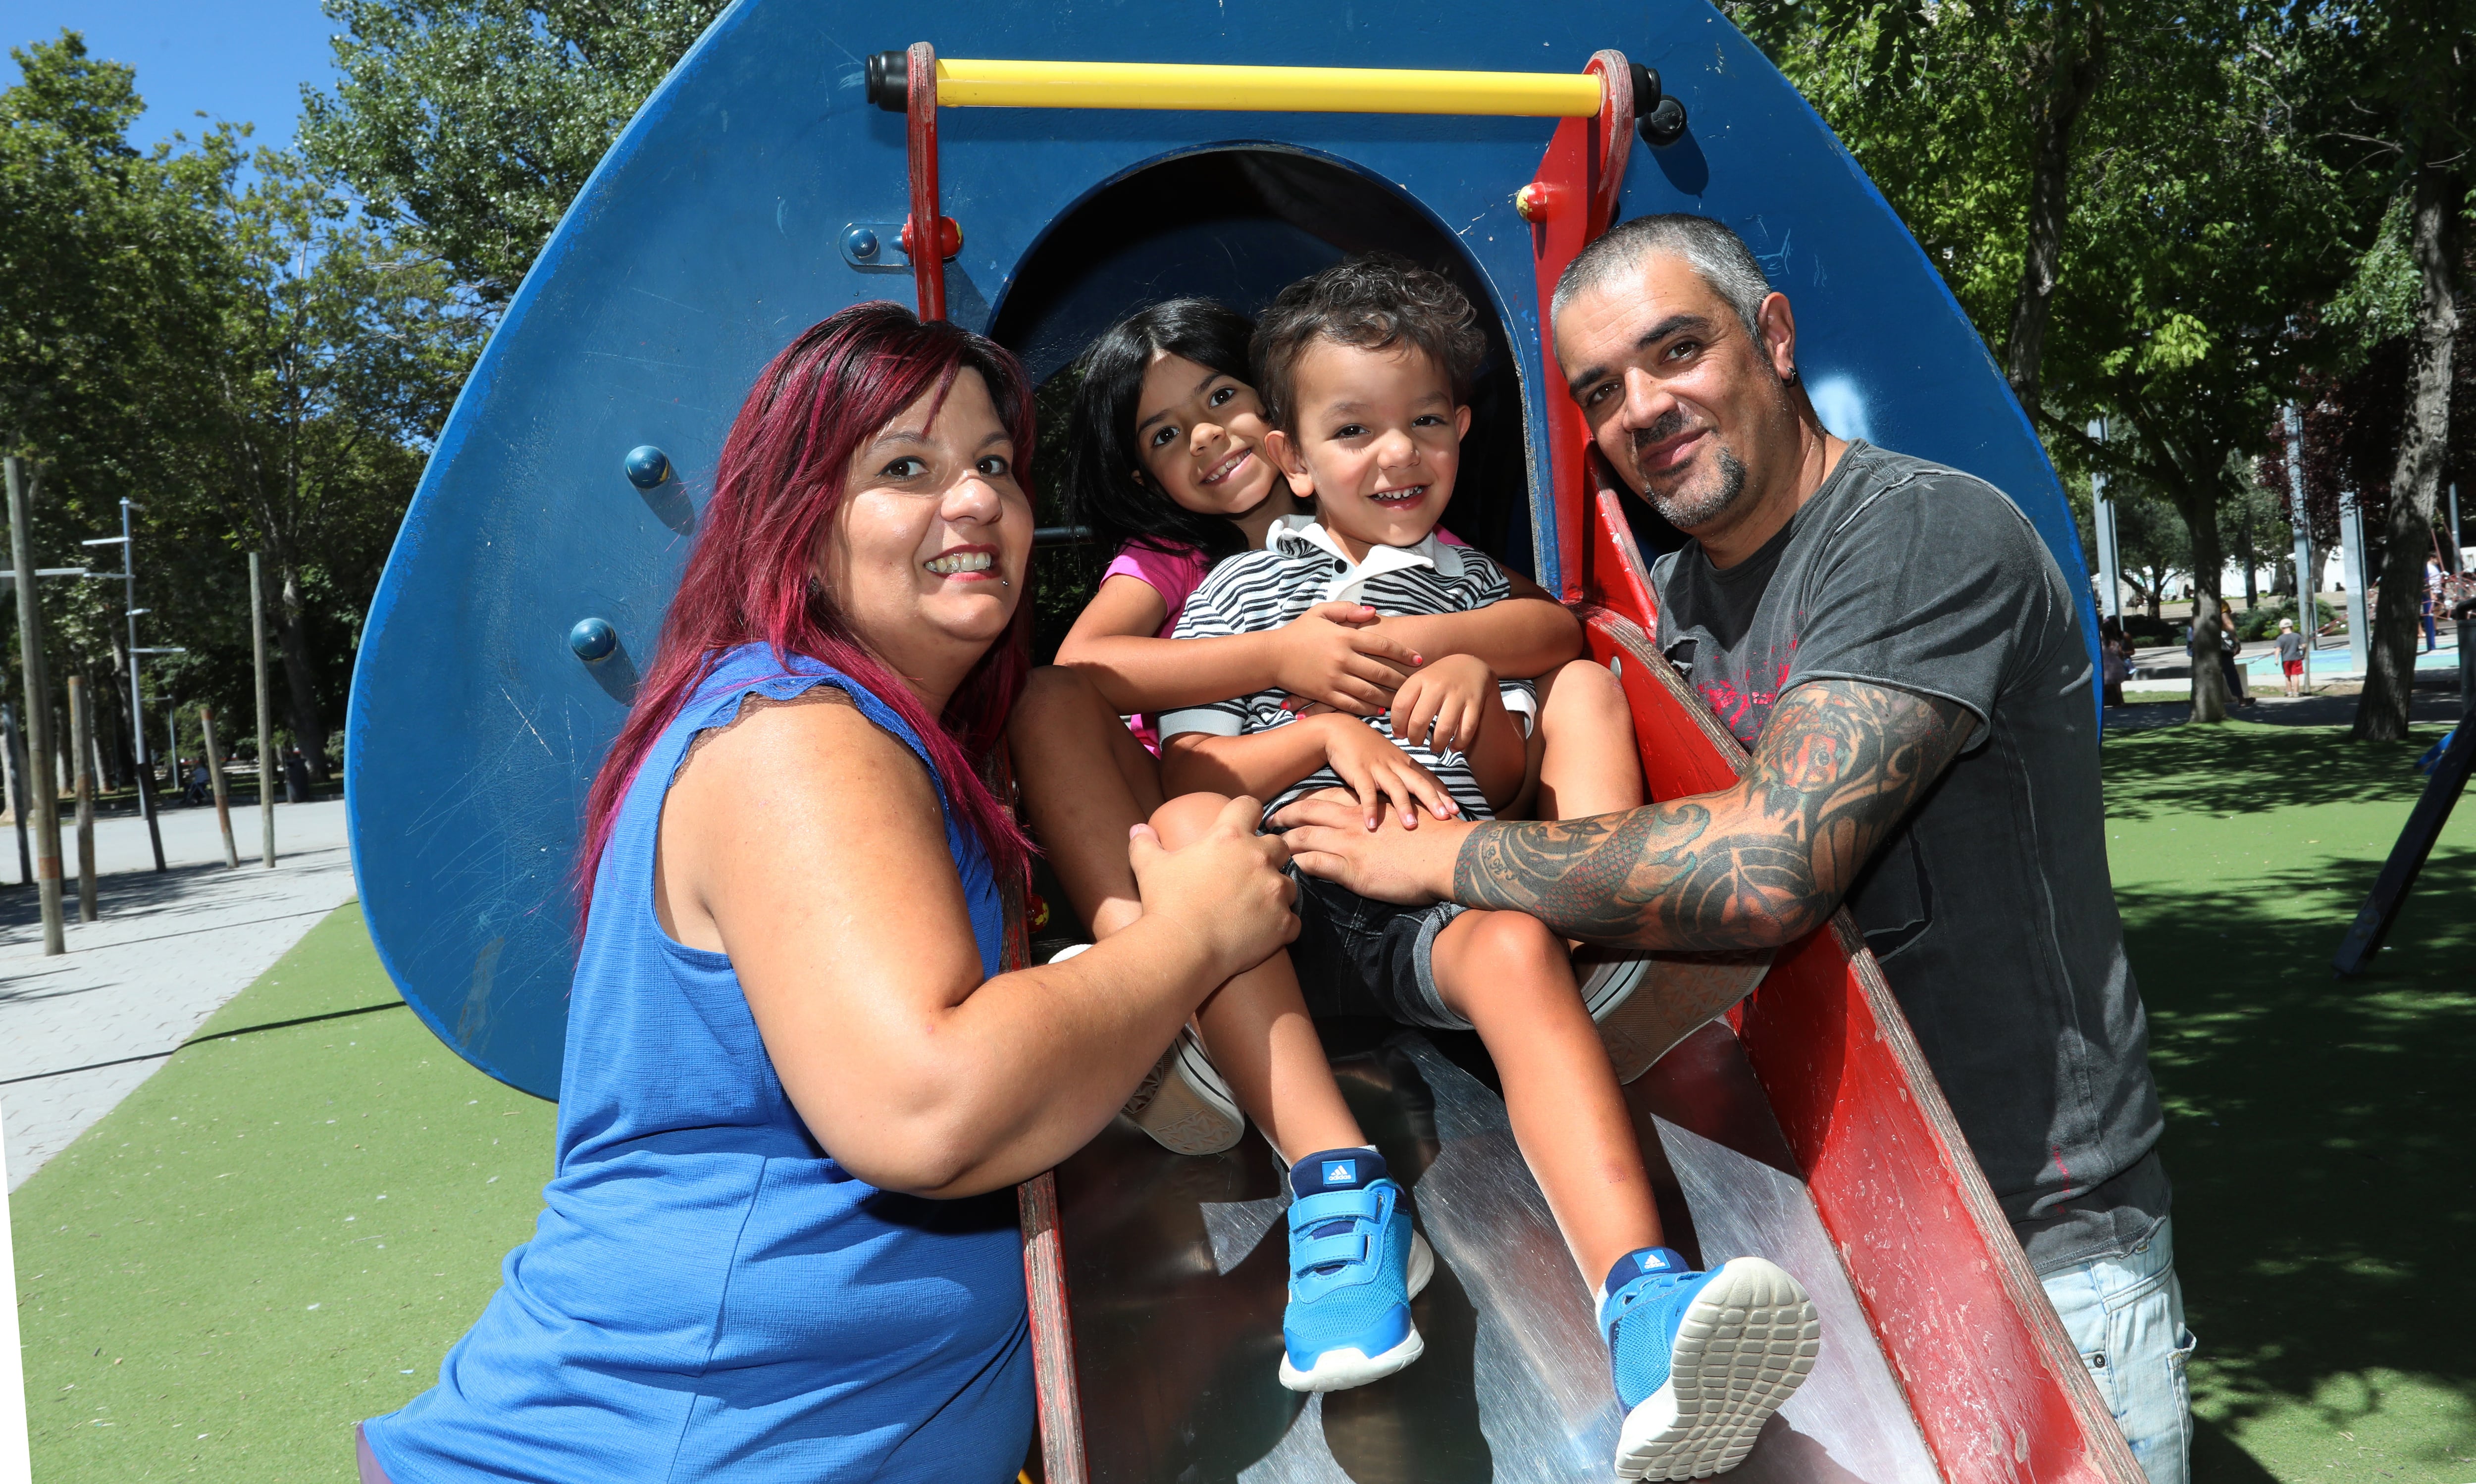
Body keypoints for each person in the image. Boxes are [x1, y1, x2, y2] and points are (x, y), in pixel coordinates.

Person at [1272, 216, 2192, 1484]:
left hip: (2030, 1246)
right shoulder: (1672, 614)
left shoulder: (1919, 536)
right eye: (1602, 389)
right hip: (1806, 1230)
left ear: (1771, 339)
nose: (1644, 406)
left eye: (1676, 351)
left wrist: (1434, 866)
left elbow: (1765, 869)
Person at [355, 304, 1298, 1484]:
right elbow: (929, 1105)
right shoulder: (797, 734)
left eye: (994, 466)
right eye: (906, 468)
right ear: (798, 526)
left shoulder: (892, 741)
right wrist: (1192, 939)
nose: (974, 502)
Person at [1146, 258, 1817, 1480]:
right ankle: (1337, 1205)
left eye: (1423, 424)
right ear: (1293, 458)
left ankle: (1645, 1306)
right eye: (1352, 431)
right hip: (1278, 912)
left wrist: (1476, 703)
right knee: (1196, 855)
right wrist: (1305, 743)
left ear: (1460, 430)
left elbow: (1507, 785)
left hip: (1433, 902)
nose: (1394, 456)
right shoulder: (1244, 593)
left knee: (1509, 941)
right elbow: (1192, 781)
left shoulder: (1468, 586)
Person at [1006, 297, 1647, 1153]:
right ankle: (1164, 991)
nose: (1202, 436)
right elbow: (1086, 665)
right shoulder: (1180, 565)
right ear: (1141, 475)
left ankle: (1586, 927)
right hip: (1229, 816)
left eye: (1221, 397)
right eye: (1163, 435)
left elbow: (1545, 621)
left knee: (1579, 685)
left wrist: (1425, 642)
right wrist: (1279, 658)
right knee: (1049, 704)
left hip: (1429, 807)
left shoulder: (1399, 518)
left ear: (1278, 412)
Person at [2100, 615, 2129, 708]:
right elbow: (2120, 654)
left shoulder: (2101, 644)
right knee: (2118, 686)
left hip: (2105, 668)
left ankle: (2102, 703)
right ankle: (2121, 702)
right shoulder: (2116, 643)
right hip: (2116, 666)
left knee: (2105, 686)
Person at [2275, 616, 2307, 697]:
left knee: (2287, 676)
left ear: (2281, 628)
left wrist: (2276, 659)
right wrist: (2304, 654)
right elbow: (2304, 646)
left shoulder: (2280, 638)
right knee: (2296, 676)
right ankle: (2296, 693)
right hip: (2296, 658)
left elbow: (2278, 649)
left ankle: (2289, 693)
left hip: (2286, 659)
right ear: (2292, 627)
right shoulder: (2297, 636)